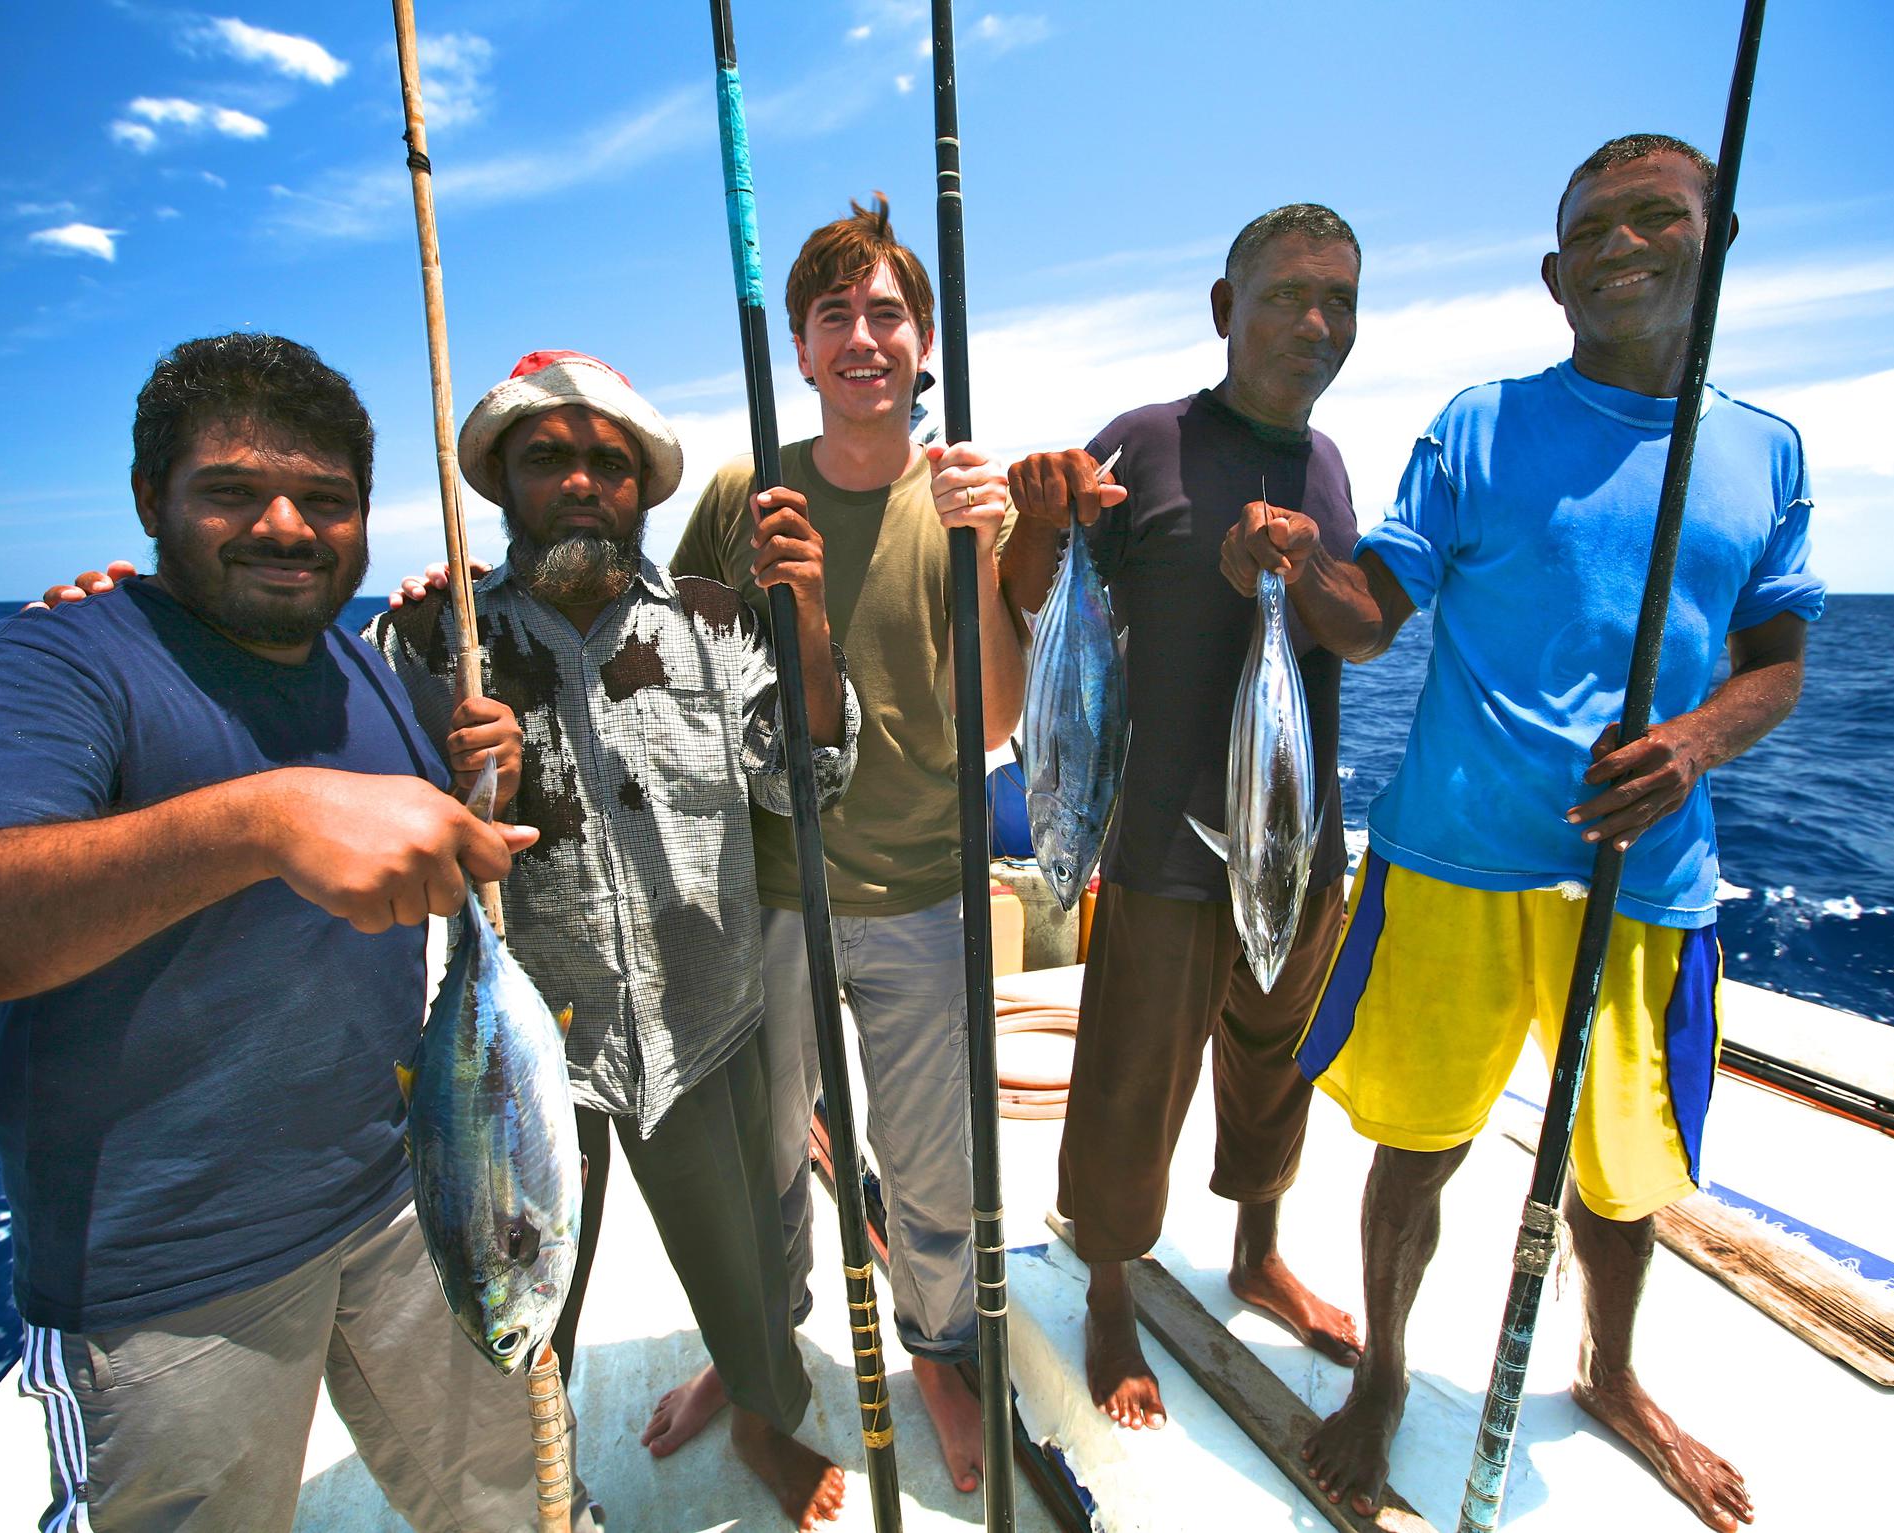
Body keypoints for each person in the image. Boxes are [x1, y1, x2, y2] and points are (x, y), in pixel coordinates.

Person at [0, 333, 585, 1533]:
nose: (284, 527)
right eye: (229, 492)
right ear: (150, 499)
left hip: (413, 1200)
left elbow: (413, 836)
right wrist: (261, 820)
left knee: (514, 1506)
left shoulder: (365, 677)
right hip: (166, 1284)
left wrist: (484, 783)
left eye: (325, 501)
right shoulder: (59, 663)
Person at [1278, 135, 1819, 1531]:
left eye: (1658, 219)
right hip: (1452, 858)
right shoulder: (1479, 426)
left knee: (1623, 1166)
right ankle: (1386, 1377)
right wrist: (1298, 573)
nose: (1622, 247)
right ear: (1551, 270)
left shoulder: (1764, 452)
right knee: (1418, 1140)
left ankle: (1613, 1373)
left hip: (1648, 880)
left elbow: (1777, 658)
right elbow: (1369, 612)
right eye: (1592, 229)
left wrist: (1694, 742)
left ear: (1719, 240)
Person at [368, 348, 859, 1531]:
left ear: (643, 487)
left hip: (707, 1024)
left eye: (608, 463)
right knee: (519, 1297)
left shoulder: (723, 622)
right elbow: (370, 831)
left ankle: (758, 1413)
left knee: (747, 1273)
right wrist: (451, 779)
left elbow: (815, 780)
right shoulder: (434, 641)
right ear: (498, 486)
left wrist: (807, 618)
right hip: (521, 1063)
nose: (582, 482)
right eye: (548, 460)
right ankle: (531, 1476)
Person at [660, 194, 1025, 1492]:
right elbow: (667, 680)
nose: (863, 335)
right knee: (758, 1163)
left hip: (927, 892)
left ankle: (937, 1345)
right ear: (801, 354)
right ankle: (759, 1353)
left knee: (933, 1167)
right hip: (768, 893)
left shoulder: (966, 497)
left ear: (925, 345)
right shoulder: (737, 490)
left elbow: (994, 720)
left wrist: (986, 555)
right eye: (835, 316)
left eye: (888, 313)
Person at [997, 204, 1368, 1431]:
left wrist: (1300, 567)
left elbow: (1351, 630)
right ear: (1224, 309)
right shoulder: (1146, 441)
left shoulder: (1326, 466)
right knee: (1128, 1083)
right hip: (1159, 838)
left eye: (1338, 303)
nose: (1312, 324)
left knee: (1276, 1061)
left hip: (1295, 841)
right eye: (1284, 296)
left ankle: (1255, 1248)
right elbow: (1035, 596)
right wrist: (1041, 515)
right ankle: (1108, 1285)